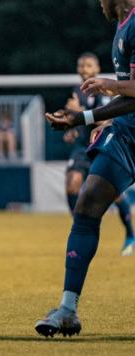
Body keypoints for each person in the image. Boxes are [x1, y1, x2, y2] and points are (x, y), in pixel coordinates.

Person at [35, 0, 135, 337]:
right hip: (127, 133)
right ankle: (66, 309)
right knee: (87, 204)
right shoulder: (123, 24)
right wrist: (81, 118)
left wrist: (109, 85)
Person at [62, 52, 134, 256]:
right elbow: (78, 120)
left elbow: (107, 120)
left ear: (96, 69)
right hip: (82, 147)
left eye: (88, 66)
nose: (84, 69)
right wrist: (71, 129)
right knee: (72, 184)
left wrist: (80, 111)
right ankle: (81, 230)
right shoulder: (78, 90)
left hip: (103, 144)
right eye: (81, 65)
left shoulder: (102, 90)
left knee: (115, 196)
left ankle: (130, 235)